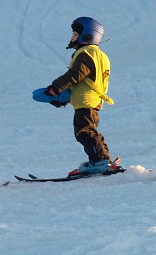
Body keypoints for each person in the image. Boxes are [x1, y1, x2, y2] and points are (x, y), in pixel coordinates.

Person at [43, 17, 119, 175]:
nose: (72, 37)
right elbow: (86, 81)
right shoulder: (98, 54)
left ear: (87, 35)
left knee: (84, 132)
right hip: (91, 100)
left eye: (75, 34)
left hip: (86, 101)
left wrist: (55, 88)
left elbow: (75, 75)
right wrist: (63, 98)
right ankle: (103, 160)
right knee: (89, 131)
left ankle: (100, 161)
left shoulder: (86, 53)